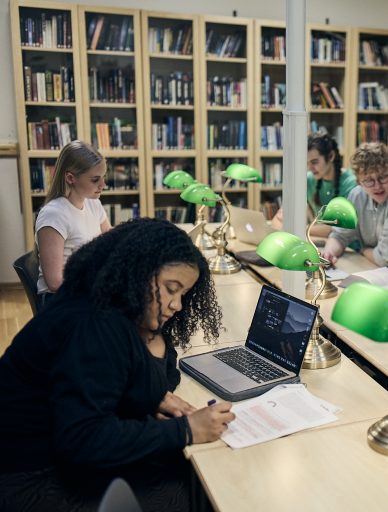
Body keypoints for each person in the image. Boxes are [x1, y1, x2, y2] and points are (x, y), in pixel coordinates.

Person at [0, 218, 234, 510]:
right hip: (32, 479)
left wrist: (155, 395)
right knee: (195, 486)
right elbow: (83, 438)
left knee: (181, 464)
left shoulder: (106, 305)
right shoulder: (94, 326)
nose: (178, 306)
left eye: (183, 295)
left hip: (54, 454)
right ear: (136, 273)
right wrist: (187, 430)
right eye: (171, 289)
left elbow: (155, 376)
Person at [320, 142, 388, 268]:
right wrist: (328, 253)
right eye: (368, 180)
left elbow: (386, 258)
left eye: (383, 177)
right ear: (358, 181)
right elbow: (340, 235)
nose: (377, 186)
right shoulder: (357, 194)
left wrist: (363, 250)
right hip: (375, 268)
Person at [35, 140, 111, 301]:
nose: (103, 185)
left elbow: (113, 241)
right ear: (70, 178)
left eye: (103, 177)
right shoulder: (53, 215)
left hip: (87, 288)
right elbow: (55, 282)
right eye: (95, 179)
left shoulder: (93, 203)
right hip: (60, 298)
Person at [271, 133, 357, 236]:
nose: (310, 168)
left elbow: (338, 229)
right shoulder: (307, 179)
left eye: (314, 162)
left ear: (330, 156)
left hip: (347, 248)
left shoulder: (351, 183)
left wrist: (295, 229)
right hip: (318, 241)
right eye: (307, 163)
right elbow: (279, 218)